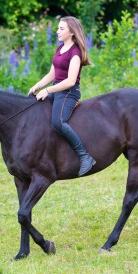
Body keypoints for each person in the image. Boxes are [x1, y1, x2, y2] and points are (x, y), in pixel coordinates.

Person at [28, 16, 96, 176]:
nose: (57, 31)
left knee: (58, 122)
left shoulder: (75, 53)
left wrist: (48, 91)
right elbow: (52, 74)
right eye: (58, 28)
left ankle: (85, 156)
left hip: (69, 93)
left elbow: (70, 81)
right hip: (57, 90)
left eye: (61, 29)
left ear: (72, 32)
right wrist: (37, 86)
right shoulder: (60, 49)